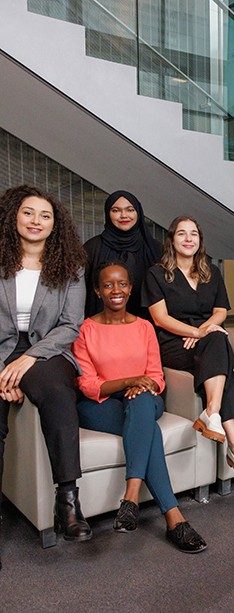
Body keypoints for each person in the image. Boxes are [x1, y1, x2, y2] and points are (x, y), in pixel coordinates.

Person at [73, 262, 206, 553]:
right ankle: (174, 519)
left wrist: (140, 385)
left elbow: (156, 377)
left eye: (122, 284)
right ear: (97, 290)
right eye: (108, 285)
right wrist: (128, 381)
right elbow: (88, 385)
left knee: (141, 401)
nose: (116, 290)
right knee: (149, 431)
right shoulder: (86, 329)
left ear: (130, 289)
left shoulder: (144, 327)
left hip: (146, 398)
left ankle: (131, 496)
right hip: (100, 405)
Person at [0, 185, 90, 549]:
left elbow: (71, 324)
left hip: (47, 350)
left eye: (45, 215)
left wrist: (28, 358)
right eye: (28, 213)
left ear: (56, 225)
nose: (36, 221)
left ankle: (67, 500)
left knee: (57, 393)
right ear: (13, 217)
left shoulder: (72, 267)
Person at [143, 216, 234, 480]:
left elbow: (220, 311)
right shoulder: (156, 273)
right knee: (220, 348)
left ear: (200, 240)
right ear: (172, 240)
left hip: (205, 337)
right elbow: (160, 318)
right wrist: (196, 332)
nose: (188, 239)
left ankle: (214, 416)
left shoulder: (211, 272)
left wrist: (204, 330)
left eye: (193, 234)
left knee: (218, 341)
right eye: (182, 234)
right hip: (173, 342)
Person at [83, 190, 161, 318]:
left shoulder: (155, 248)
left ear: (138, 213)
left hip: (148, 326)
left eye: (130, 210)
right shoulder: (92, 248)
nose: (124, 215)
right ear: (108, 214)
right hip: (102, 326)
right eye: (116, 210)